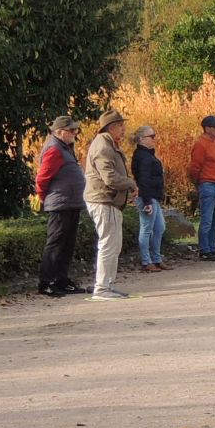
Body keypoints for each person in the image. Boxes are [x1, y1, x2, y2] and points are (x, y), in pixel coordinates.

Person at [84, 109, 137, 301]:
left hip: (108, 201)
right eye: (121, 126)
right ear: (111, 127)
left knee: (113, 245)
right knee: (108, 245)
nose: (123, 130)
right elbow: (110, 178)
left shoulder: (107, 144)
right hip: (104, 200)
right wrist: (130, 183)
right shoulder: (103, 146)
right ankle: (102, 288)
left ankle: (107, 285)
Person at [34, 115, 87, 297]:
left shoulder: (65, 147)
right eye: (71, 130)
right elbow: (42, 177)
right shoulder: (54, 149)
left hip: (70, 202)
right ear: (60, 132)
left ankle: (61, 279)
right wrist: (43, 197)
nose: (75, 133)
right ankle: (46, 282)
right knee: (55, 244)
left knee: (67, 244)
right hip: (60, 203)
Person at [189, 115, 215, 261]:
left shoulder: (213, 143)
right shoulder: (201, 144)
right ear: (207, 128)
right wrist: (199, 184)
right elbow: (195, 168)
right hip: (208, 185)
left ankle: (212, 247)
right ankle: (204, 249)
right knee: (207, 219)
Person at [131, 125, 168, 272]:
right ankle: (147, 261)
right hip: (147, 196)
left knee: (159, 227)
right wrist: (146, 201)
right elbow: (143, 180)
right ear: (141, 139)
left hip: (153, 196)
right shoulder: (143, 157)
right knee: (147, 228)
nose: (154, 139)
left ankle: (156, 258)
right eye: (151, 137)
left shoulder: (148, 155)